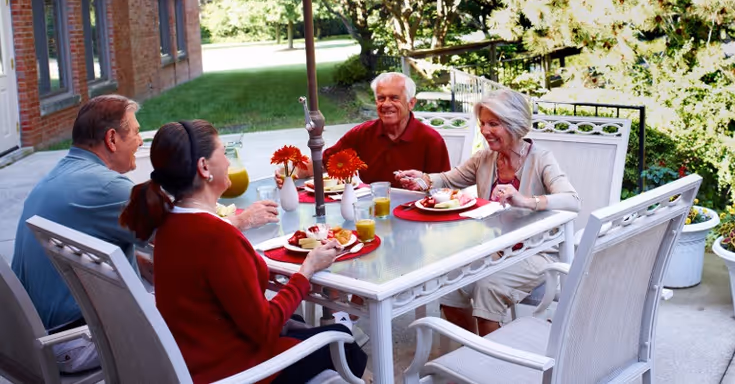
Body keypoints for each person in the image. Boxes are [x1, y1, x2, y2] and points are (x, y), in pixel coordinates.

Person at [11, 95, 279, 374]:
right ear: (112, 139)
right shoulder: (106, 187)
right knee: (209, 317)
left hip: (41, 336)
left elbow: (87, 244)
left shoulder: (63, 174)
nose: (140, 142)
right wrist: (243, 219)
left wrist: (134, 266)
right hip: (75, 340)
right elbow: (190, 238)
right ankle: (247, 369)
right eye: (137, 132)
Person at [119, 120, 366, 384]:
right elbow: (265, 329)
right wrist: (307, 270)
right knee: (346, 344)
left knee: (297, 321)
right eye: (223, 153)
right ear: (204, 167)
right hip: (239, 372)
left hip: (196, 361)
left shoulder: (168, 225)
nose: (227, 162)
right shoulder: (217, 237)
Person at [396, 89, 580, 336]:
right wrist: (424, 179)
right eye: (483, 123)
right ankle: (467, 352)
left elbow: (572, 201)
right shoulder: (485, 157)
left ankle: (490, 364)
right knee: (449, 281)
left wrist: (526, 201)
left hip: (536, 251)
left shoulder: (541, 159)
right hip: (492, 248)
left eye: (494, 124)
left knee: (487, 286)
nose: (484, 131)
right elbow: (450, 179)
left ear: (515, 124)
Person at [280, 72, 451, 187]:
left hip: (416, 217)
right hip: (370, 213)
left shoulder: (431, 140)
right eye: (381, 98)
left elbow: (443, 188)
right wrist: (289, 172)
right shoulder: (362, 134)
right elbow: (323, 164)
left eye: (394, 98)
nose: (386, 104)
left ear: (411, 103)